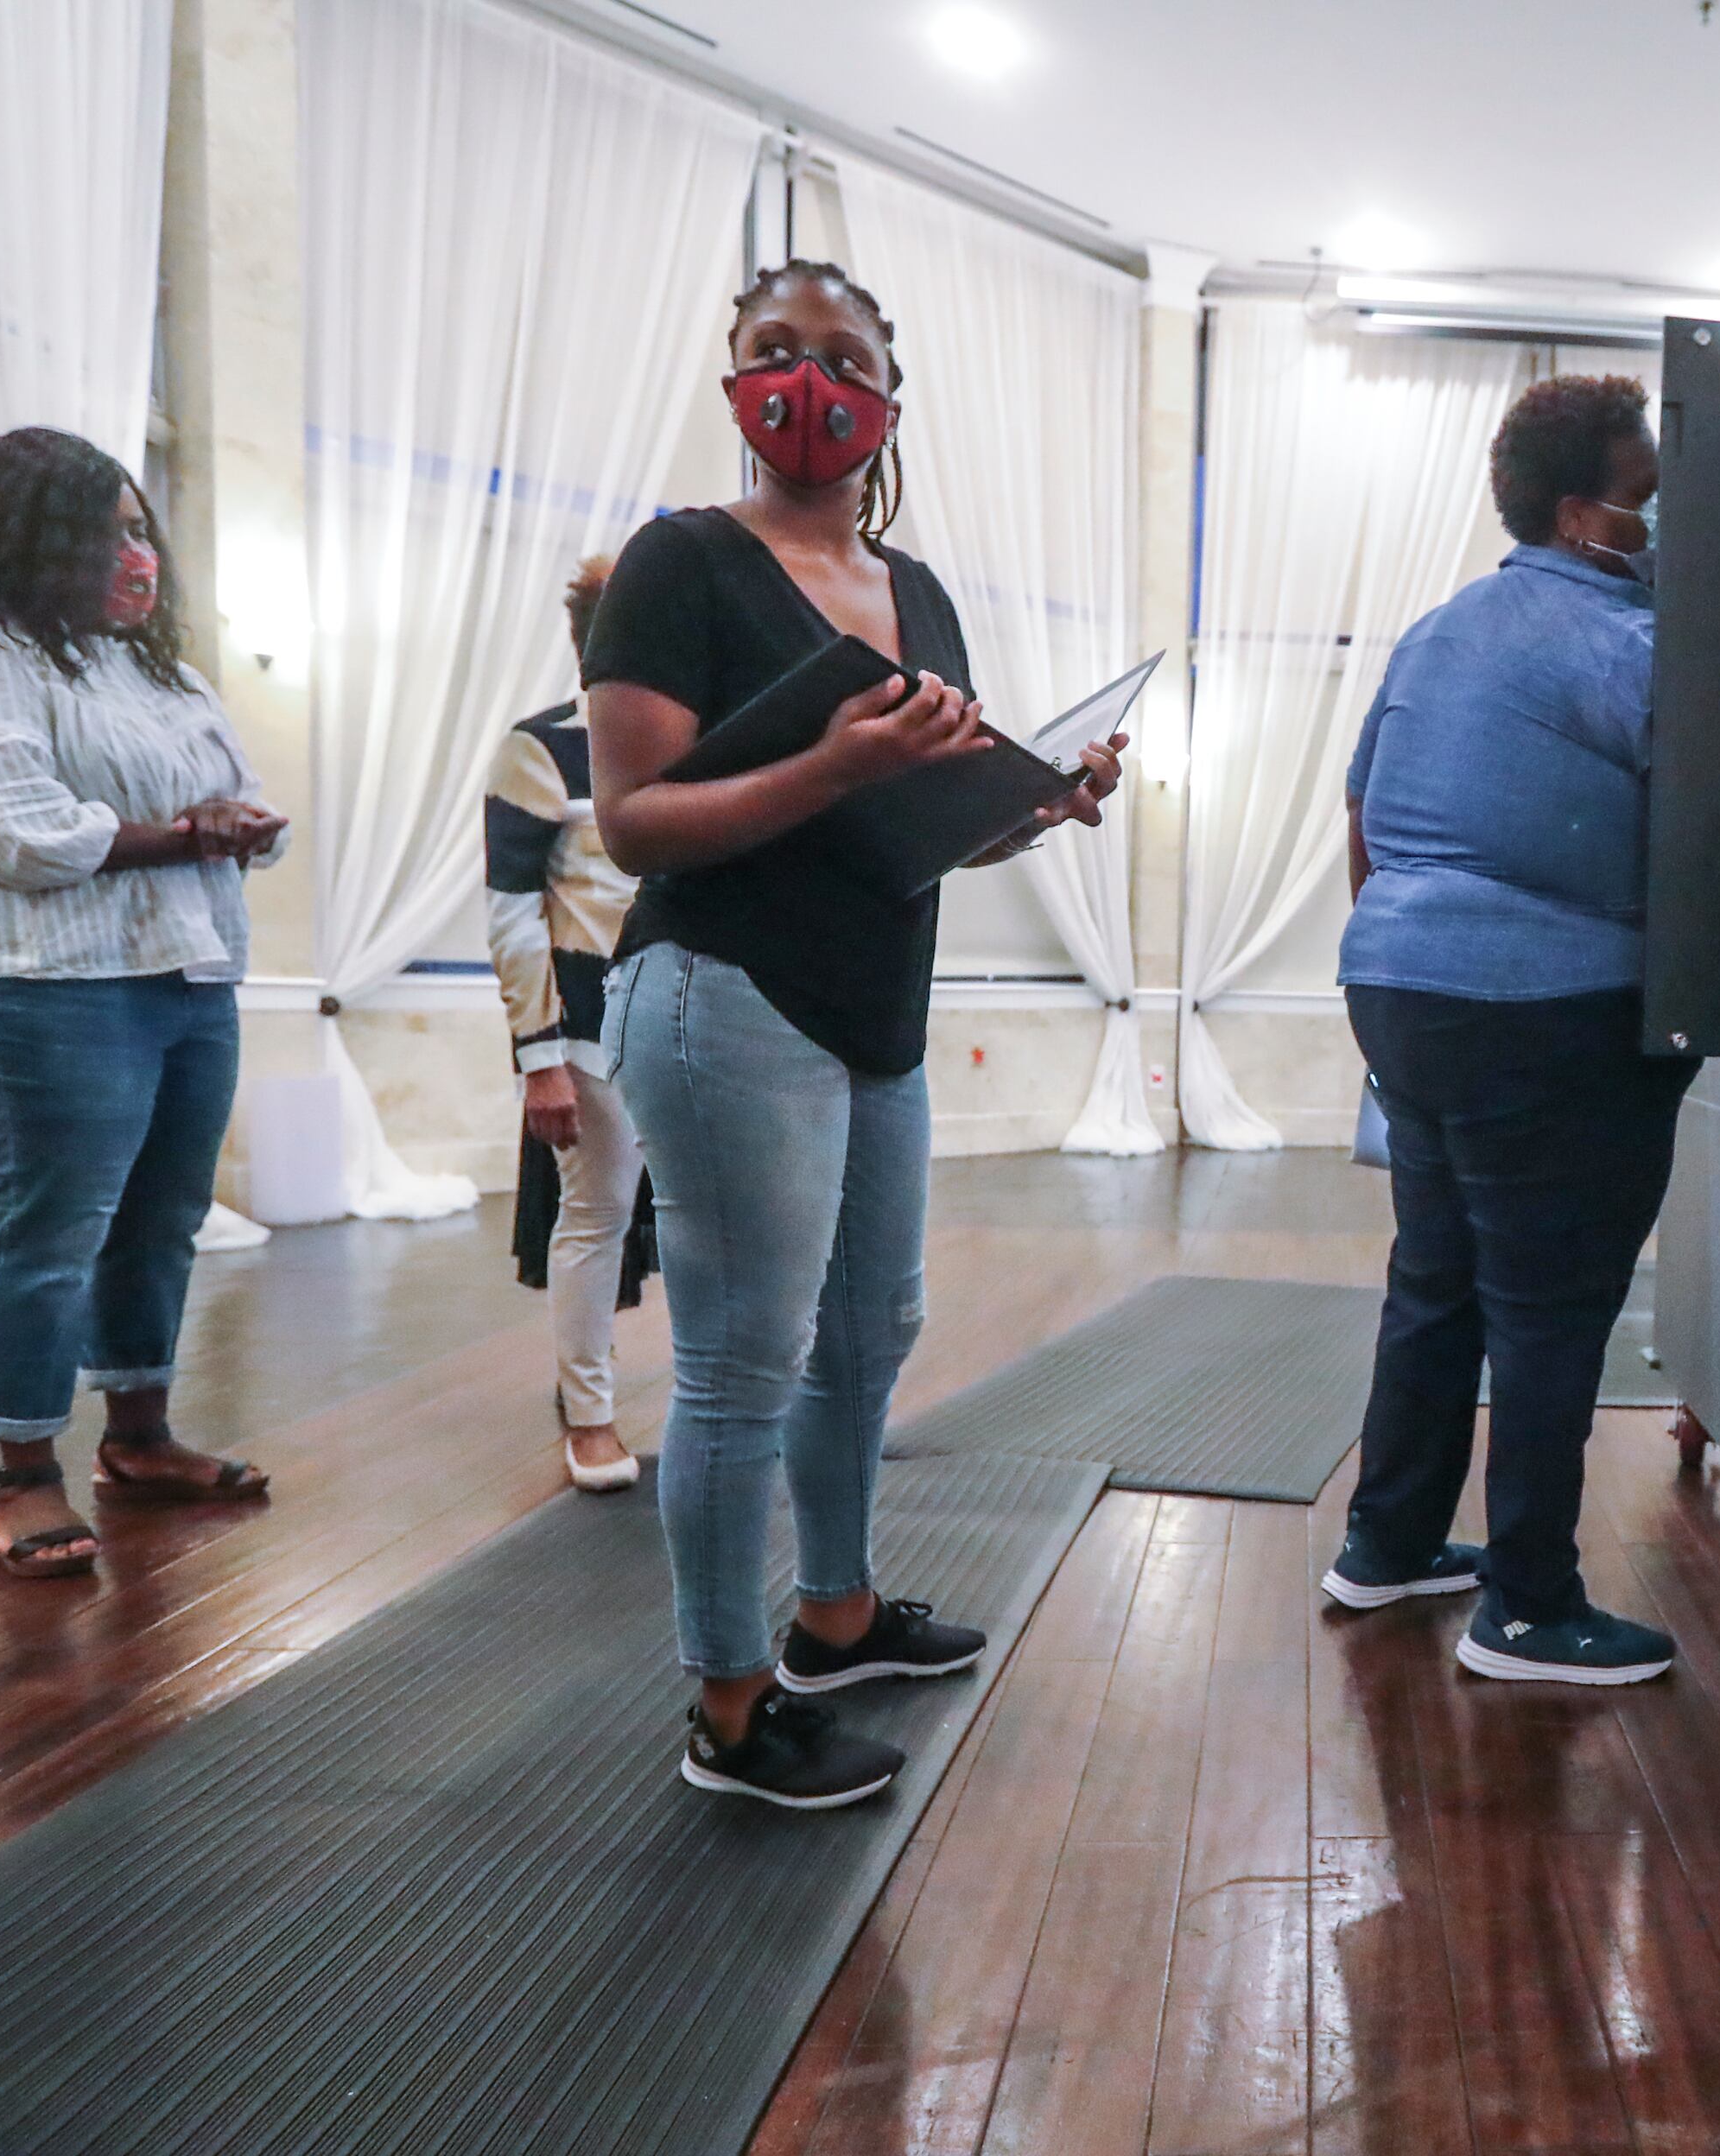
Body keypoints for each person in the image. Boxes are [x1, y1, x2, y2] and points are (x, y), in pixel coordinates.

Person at [581, 259, 1125, 1808]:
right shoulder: (680, 563)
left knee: (872, 1328)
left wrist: (1034, 806)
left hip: (876, 1005)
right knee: (742, 1362)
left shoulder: (920, 592)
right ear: (732, 380)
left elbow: (915, 827)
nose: (809, 382)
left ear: (890, 398)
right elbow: (634, 823)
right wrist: (834, 764)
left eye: (844, 359)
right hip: (724, 992)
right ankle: (730, 1711)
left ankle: (834, 1618)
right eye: (777, 350)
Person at [1321, 373, 1698, 1686]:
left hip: (1399, 990)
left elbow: (1362, 813)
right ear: (1582, 512)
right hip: (1542, 1009)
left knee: (1437, 1279)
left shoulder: (1440, 629)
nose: (1662, 521)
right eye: (1648, 496)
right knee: (1549, 1304)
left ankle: (1387, 1544)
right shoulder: (1626, 643)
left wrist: (1419, 958)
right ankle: (1528, 1607)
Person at [0, 427, 291, 1579]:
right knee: (52, 1229)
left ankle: (139, 1436)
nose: (139, 556)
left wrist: (231, 826)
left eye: (142, 531)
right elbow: (10, 833)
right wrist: (191, 835)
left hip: (186, 971)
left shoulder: (163, 675)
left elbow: (247, 806)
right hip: (39, 981)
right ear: (36, 541)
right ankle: (22, 1473)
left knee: (162, 1218)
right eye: (109, 534)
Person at [486, 551, 655, 1495]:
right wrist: (539, 1058)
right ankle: (589, 1417)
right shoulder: (542, 749)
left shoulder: (699, 744)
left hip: (690, 1019)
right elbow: (512, 912)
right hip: (588, 1026)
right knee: (595, 1216)